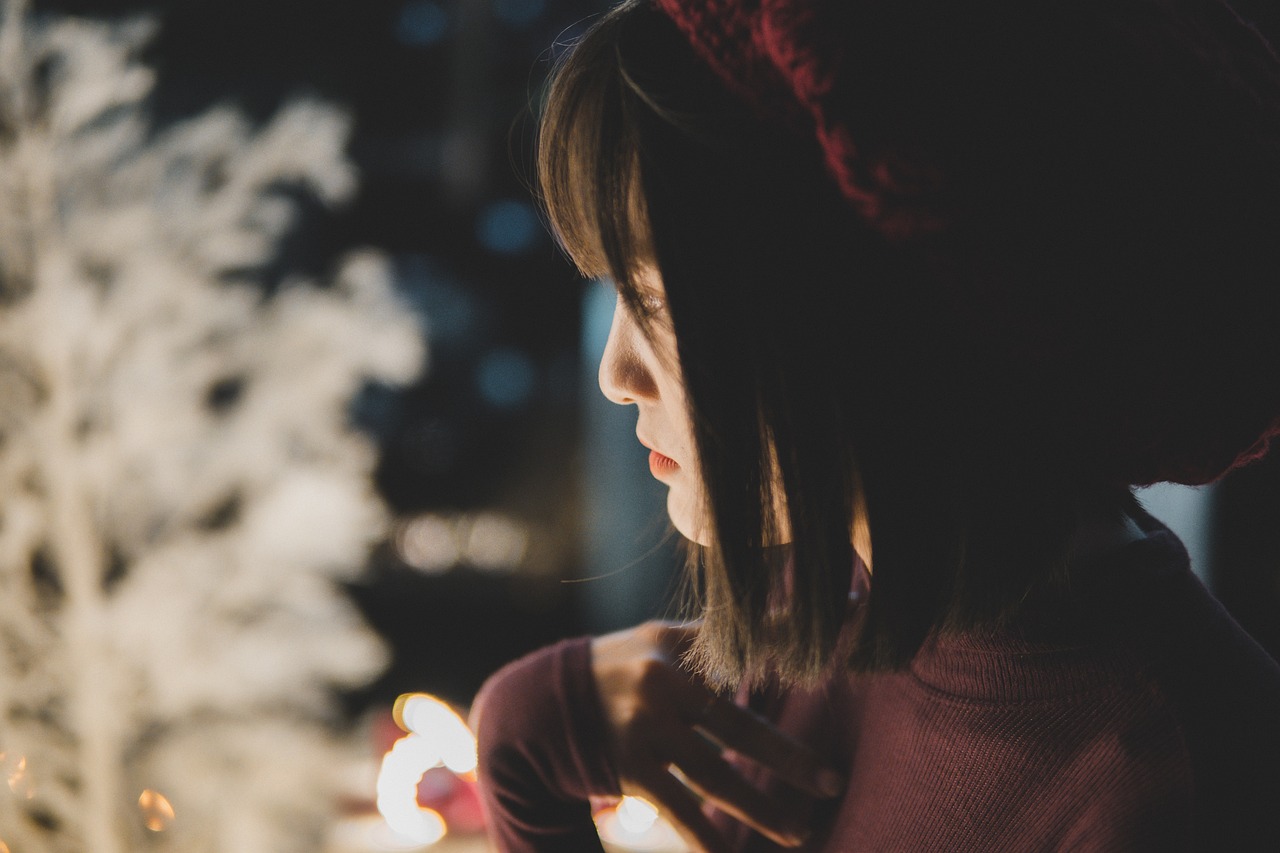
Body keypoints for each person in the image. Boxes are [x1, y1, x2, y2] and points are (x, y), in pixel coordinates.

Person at [469, 0, 1280, 849]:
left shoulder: (1170, 795)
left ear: (873, 311)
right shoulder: (832, 623)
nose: (615, 376)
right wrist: (529, 739)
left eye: (661, 305)